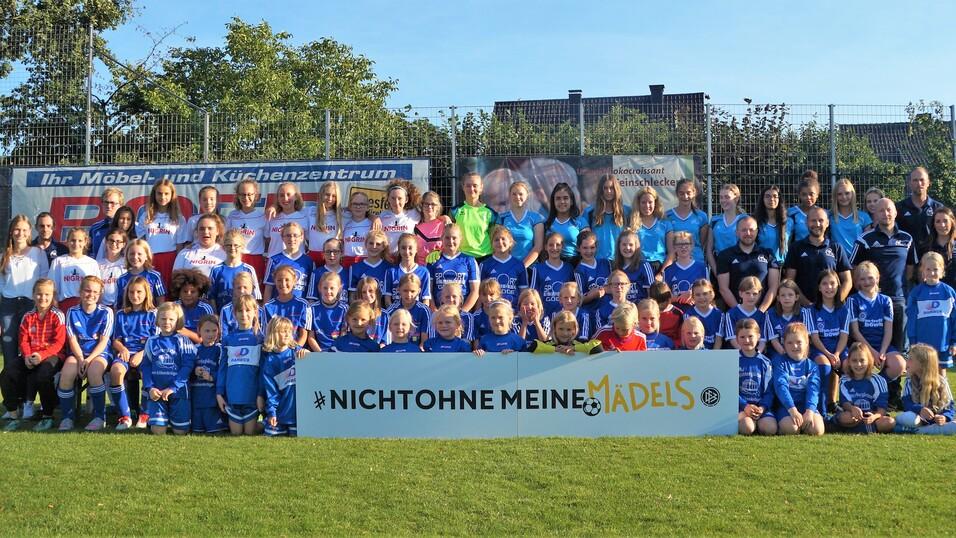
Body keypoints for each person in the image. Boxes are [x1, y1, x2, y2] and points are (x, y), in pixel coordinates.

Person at [850, 197, 917, 358]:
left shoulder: (907, 239)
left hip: (898, 299)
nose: (885, 213)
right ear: (875, 214)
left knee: (899, 349)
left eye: (888, 210)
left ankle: (896, 375)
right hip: (873, 301)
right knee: (870, 349)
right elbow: (853, 269)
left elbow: (910, 269)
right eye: (881, 210)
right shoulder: (864, 239)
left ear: (895, 212)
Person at [0, 279, 63, 431]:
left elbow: (59, 343)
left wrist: (41, 356)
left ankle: (47, 416)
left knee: (43, 375)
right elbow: (23, 340)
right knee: (8, 373)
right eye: (39, 294)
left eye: (47, 294)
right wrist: (27, 356)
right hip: (30, 355)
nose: (43, 298)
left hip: (52, 355)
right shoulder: (28, 316)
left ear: (53, 295)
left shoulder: (58, 315)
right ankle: (13, 414)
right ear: (33, 295)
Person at [0, 216, 49, 408]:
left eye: (24, 230)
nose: (20, 233)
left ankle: (29, 401)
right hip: (9, 307)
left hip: (31, 305)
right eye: (17, 229)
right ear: (11, 231)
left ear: (30, 232)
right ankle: (12, 403)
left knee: (30, 354)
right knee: (10, 354)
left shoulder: (38, 253)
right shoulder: (4, 256)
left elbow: (44, 279)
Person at [55, 275, 113, 431]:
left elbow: (103, 342)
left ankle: (99, 417)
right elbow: (72, 339)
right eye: (87, 290)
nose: (91, 294)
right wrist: (81, 359)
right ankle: (67, 417)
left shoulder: (106, 312)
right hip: (78, 353)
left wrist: (88, 360)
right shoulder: (72, 311)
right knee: (66, 374)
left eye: (95, 292)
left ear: (100, 294)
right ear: (80, 292)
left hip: (99, 353)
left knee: (94, 372)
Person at [847, 261, 906, 405]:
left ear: (877, 278)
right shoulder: (853, 300)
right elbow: (855, 332)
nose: (867, 282)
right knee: (850, 364)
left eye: (870, 278)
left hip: (882, 345)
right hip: (862, 346)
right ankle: (859, 393)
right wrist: (872, 352)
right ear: (857, 281)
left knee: (899, 365)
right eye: (862, 279)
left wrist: (883, 352)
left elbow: (888, 330)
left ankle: (873, 386)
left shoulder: (885, 300)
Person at [110, 276, 158, 430]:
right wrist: (122, 349)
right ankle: (125, 416)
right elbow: (115, 340)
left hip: (146, 353)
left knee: (147, 374)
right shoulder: (121, 314)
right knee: (116, 371)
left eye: (139, 292)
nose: (135, 295)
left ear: (146, 293)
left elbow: (156, 341)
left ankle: (144, 414)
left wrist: (141, 354)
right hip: (126, 353)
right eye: (131, 292)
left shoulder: (153, 313)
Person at [142, 302, 196, 435]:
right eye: (163, 318)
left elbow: (187, 366)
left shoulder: (183, 340)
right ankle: (156, 420)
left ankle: (177, 421)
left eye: (171, 319)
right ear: (157, 320)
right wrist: (150, 388)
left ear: (178, 321)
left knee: (180, 432)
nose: (167, 322)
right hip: (157, 392)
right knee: (158, 432)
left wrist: (173, 387)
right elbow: (146, 366)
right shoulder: (151, 341)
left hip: (178, 392)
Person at [783, 207, 853, 306]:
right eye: (813, 220)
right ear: (806, 223)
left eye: (821, 220)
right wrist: (808, 305)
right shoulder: (795, 248)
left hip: (831, 309)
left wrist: (834, 303)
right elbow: (790, 281)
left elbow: (847, 281)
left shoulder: (836, 247)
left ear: (827, 223)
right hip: (803, 308)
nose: (817, 224)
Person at [216, 294, 264, 435]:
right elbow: (223, 368)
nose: (244, 314)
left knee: (249, 433)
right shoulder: (228, 339)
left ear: (255, 312)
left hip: (252, 395)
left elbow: (263, 370)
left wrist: (260, 394)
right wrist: (219, 393)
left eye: (248, 310)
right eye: (240, 311)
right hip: (233, 395)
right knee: (236, 433)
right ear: (234, 313)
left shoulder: (260, 338)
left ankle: (266, 424)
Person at [716, 216, 779, 311]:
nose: (748, 233)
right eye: (744, 230)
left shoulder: (768, 254)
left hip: (763, 313)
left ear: (757, 232)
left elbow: (774, 287)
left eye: (751, 230)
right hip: (735, 314)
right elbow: (723, 289)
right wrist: (740, 312)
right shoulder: (725, 255)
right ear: (737, 232)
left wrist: (760, 311)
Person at [906, 252, 956, 372]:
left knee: (941, 373)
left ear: (942, 270)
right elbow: (911, 320)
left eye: (935, 269)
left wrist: (954, 342)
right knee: (922, 373)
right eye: (928, 269)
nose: (932, 273)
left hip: (943, 344)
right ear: (922, 270)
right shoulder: (916, 293)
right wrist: (912, 341)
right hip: (922, 344)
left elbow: (954, 319)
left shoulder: (949, 292)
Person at [809, 269, 851, 411]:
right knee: (824, 367)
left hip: (838, 348)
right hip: (819, 349)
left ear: (838, 286)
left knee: (849, 366)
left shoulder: (844, 309)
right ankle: (822, 410)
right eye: (825, 284)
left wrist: (837, 354)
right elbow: (814, 338)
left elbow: (844, 336)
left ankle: (847, 407)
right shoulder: (811, 310)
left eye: (832, 283)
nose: (829, 287)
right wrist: (828, 354)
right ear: (819, 287)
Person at [773, 322, 824, 436]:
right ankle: (781, 426)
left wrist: (809, 411)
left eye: (798, 342)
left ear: (806, 342)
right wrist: (792, 410)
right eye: (790, 343)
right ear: (784, 344)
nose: (794, 346)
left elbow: (813, 390)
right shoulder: (780, 363)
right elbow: (781, 387)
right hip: (787, 407)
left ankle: (807, 421)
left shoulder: (812, 366)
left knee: (817, 430)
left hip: (806, 406)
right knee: (792, 429)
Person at [260, 316, 307, 437]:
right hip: (282, 411)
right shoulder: (270, 361)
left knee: (298, 435)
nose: (287, 334)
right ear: (273, 333)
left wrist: (308, 354)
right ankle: (267, 421)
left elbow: (313, 371)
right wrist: (272, 412)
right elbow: (271, 391)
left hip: (300, 413)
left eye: (289, 331)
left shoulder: (297, 351)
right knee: (271, 434)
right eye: (283, 331)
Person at [834, 343, 895, 434]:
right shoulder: (844, 380)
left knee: (889, 422)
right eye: (854, 360)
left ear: (869, 361)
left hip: (873, 417)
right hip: (853, 416)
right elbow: (845, 403)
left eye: (862, 360)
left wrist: (874, 417)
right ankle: (868, 429)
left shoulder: (879, 380)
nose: (858, 364)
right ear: (849, 362)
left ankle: (853, 429)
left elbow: (882, 408)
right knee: (845, 418)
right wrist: (852, 408)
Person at [896, 343, 956, 434]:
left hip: (936, 420)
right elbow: (907, 403)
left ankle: (918, 431)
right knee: (909, 418)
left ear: (922, 364)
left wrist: (944, 417)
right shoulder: (909, 381)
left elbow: (950, 406)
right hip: (917, 418)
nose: (907, 361)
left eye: (910, 359)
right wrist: (920, 409)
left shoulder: (941, 382)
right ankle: (930, 430)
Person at [137, 179, 186, 289]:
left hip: (170, 260)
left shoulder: (179, 218)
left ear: (172, 195)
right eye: (159, 193)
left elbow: (180, 247)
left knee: (169, 291)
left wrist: (178, 267)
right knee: (150, 290)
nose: (163, 197)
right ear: (154, 194)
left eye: (166, 193)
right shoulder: (145, 216)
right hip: (150, 259)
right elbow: (142, 244)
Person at [736, 318, 776, 435]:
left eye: (750, 336)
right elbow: (729, 389)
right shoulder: (733, 360)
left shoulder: (766, 362)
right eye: (742, 337)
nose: (746, 340)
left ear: (758, 337)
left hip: (760, 408)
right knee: (747, 428)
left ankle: (758, 421)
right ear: (737, 339)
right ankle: (748, 422)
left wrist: (762, 408)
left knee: (770, 429)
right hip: (741, 407)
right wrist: (744, 406)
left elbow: (769, 391)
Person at [428, 224, 480, 312]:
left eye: (454, 238)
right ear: (442, 238)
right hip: (440, 312)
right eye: (447, 238)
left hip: (462, 311)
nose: (451, 241)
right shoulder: (434, 260)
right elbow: (428, 290)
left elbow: (475, 291)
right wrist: (435, 311)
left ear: (460, 239)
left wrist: (463, 312)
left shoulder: (469, 260)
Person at [896, 166, 944, 259]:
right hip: (907, 259)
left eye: (922, 180)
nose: (919, 183)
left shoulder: (938, 208)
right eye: (915, 180)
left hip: (932, 259)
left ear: (928, 182)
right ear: (909, 183)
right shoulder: (899, 208)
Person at [47, 227, 100, 313]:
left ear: (85, 242)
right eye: (73, 240)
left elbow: (98, 288)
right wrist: (55, 305)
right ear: (67, 241)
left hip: (86, 305)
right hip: (64, 305)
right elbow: (51, 287)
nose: (76, 243)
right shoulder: (58, 262)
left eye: (80, 240)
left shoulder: (92, 263)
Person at [225, 178, 268, 279]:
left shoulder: (263, 216)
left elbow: (268, 240)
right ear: (238, 196)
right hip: (235, 258)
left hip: (255, 260)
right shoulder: (232, 215)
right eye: (243, 194)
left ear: (256, 196)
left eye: (249, 194)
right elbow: (226, 238)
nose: (246, 198)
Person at [208, 230, 262, 311]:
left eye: (236, 245)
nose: (232, 248)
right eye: (229, 245)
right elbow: (211, 297)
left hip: (244, 315)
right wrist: (215, 315)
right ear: (223, 247)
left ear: (242, 247)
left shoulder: (249, 269)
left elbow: (256, 297)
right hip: (222, 315)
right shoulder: (216, 269)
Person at [191, 314, 226, 434]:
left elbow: (224, 371)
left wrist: (212, 377)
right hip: (196, 398)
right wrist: (194, 371)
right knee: (197, 431)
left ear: (219, 331)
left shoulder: (220, 349)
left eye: (214, 330)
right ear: (199, 331)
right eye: (207, 331)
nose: (210, 334)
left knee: (214, 431)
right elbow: (186, 370)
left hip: (212, 401)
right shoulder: (194, 349)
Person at [450, 172, 497, 260]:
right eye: (468, 186)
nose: (471, 189)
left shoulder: (490, 213)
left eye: (475, 185)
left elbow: (495, 237)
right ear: (463, 187)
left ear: (481, 188)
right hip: (462, 258)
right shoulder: (455, 211)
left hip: (485, 257)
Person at [583, 174, 629, 262]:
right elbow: (583, 240)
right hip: (597, 262)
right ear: (601, 190)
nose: (608, 191)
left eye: (611, 188)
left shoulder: (627, 212)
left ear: (616, 189)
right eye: (605, 188)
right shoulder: (589, 212)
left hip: (620, 262)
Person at [263, 222, 314, 301]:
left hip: (300, 306)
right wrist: (266, 306)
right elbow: (269, 288)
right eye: (288, 235)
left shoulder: (309, 261)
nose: (292, 239)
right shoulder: (274, 260)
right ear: (282, 237)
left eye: (295, 235)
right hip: (278, 306)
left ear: (302, 237)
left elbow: (311, 289)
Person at [479, 226, 528, 309]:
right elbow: (480, 292)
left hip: (513, 311)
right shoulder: (485, 265)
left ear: (510, 242)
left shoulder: (519, 265)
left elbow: (523, 292)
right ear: (491, 243)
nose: (500, 242)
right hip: (491, 311)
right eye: (496, 240)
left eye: (503, 239)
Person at [263, 265, 312, 348]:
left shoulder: (303, 305)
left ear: (294, 281)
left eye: (287, 280)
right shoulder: (268, 307)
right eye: (279, 280)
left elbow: (303, 335)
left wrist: (294, 350)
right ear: (274, 281)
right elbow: (267, 334)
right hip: (276, 350)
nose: (283, 283)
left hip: (297, 350)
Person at [530, 232, 578, 317]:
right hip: (545, 316)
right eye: (551, 245)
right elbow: (533, 294)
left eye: (558, 245)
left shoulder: (569, 268)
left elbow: (574, 293)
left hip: (565, 316)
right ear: (545, 247)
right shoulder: (538, 268)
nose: (554, 248)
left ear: (562, 246)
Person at [497, 182, 544, 267]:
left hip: (529, 267)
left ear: (527, 196)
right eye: (514, 194)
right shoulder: (501, 218)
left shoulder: (535, 218)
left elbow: (538, 247)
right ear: (509, 196)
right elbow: (497, 245)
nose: (517, 197)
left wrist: (522, 267)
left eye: (520, 194)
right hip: (507, 267)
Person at [706, 183, 747, 276]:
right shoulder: (715, 220)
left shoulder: (745, 219)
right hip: (719, 265)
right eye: (721, 197)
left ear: (736, 198)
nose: (723, 200)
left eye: (727, 197)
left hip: (739, 265)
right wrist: (717, 272)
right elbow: (709, 250)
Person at [666, 179, 709, 265]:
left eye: (688, 193)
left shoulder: (701, 216)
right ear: (677, 194)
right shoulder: (667, 216)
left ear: (694, 193)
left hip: (696, 261)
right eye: (681, 193)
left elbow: (702, 243)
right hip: (674, 262)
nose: (685, 196)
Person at [631, 186, 672, 275]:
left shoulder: (665, 223)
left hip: (660, 266)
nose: (647, 206)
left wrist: (661, 273)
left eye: (650, 202)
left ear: (655, 203)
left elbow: (671, 253)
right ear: (638, 203)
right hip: (638, 267)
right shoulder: (632, 224)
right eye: (643, 202)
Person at [381, 273, 431, 345]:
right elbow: (388, 337)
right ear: (398, 289)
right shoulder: (391, 311)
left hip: (416, 349)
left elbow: (424, 342)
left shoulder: (424, 310)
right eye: (405, 290)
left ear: (419, 291)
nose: (409, 295)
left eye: (412, 291)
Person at [543, 182, 588, 261]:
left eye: (565, 198)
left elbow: (587, 247)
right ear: (553, 202)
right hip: (552, 264)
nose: (562, 201)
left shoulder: (581, 222)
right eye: (558, 198)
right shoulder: (547, 223)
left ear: (571, 201)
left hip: (576, 264)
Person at [662, 231, 708, 306]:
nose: (683, 247)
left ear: (692, 246)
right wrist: (681, 297)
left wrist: (692, 293)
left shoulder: (702, 268)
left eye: (686, 244)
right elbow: (665, 298)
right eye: (679, 244)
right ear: (674, 247)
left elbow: (708, 292)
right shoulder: (668, 271)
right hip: (676, 310)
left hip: (697, 310)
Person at [763, 279, 807, 359]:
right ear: (778, 298)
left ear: (796, 297)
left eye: (790, 295)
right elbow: (774, 341)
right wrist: (786, 355)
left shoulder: (804, 313)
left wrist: (798, 355)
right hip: (778, 352)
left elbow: (806, 339)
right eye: (783, 295)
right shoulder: (770, 314)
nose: (787, 298)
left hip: (799, 352)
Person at [385, 233, 432, 307]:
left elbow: (426, 300)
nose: (407, 252)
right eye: (403, 248)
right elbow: (387, 300)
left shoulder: (424, 272)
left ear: (416, 249)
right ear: (399, 249)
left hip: (416, 314)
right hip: (396, 313)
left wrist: (419, 313)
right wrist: (396, 312)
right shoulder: (391, 272)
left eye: (410, 248)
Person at [265, 182, 310, 258]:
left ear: (296, 197)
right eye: (281, 195)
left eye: (289, 194)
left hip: (297, 261)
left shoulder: (305, 217)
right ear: (278, 198)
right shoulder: (271, 216)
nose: (285, 198)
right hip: (275, 261)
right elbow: (267, 239)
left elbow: (310, 243)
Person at [720, 276, 766, 351]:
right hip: (735, 353)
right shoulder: (731, 314)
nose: (751, 297)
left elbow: (762, 340)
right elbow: (732, 339)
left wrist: (757, 353)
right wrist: (745, 353)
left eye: (754, 294)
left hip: (754, 352)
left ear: (759, 294)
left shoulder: (762, 316)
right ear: (740, 293)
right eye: (747, 293)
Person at [116, 239, 166, 306]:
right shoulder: (121, 279)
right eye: (132, 254)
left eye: (139, 254)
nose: (135, 257)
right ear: (127, 256)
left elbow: (161, 301)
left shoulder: (155, 276)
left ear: (146, 256)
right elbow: (119, 304)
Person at [169, 269, 213, 345]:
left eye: (193, 292)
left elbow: (209, 340)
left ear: (199, 293)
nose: (188, 294)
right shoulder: (173, 307)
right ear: (179, 292)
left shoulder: (205, 309)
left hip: (199, 348)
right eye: (185, 291)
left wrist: (186, 333)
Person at [529, 310, 603, 355]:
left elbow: (598, 347)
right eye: (561, 329)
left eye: (569, 330)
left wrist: (573, 348)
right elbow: (533, 346)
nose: (565, 333)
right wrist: (556, 349)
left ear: (574, 330)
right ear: (554, 328)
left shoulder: (578, 343)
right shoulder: (549, 344)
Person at [829, 178, 872, 255]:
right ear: (835, 196)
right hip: (837, 259)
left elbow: (868, 242)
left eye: (847, 193)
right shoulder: (829, 216)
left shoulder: (864, 217)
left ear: (853, 194)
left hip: (858, 259)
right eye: (839, 194)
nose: (844, 197)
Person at [307, 272, 348, 351]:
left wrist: (337, 351)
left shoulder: (344, 309)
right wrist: (321, 354)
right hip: (318, 352)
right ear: (320, 288)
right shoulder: (312, 308)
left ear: (339, 289)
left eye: (332, 288)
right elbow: (311, 337)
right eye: (325, 288)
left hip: (338, 351)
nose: (328, 291)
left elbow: (344, 334)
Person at [378, 180, 421, 256]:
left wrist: (443, 218)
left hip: (406, 257)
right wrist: (373, 217)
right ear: (388, 199)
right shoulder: (382, 216)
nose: (396, 202)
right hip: (388, 258)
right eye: (393, 198)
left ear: (406, 199)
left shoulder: (414, 214)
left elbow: (431, 217)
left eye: (400, 198)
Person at [347, 229, 391, 302]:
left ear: (383, 247)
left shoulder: (389, 268)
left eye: (378, 244)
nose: (374, 246)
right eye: (371, 243)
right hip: (362, 307)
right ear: (365, 244)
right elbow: (352, 297)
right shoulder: (355, 268)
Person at [341, 191, 382, 268]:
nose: (358, 207)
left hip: (366, 262)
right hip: (347, 263)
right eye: (355, 204)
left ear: (367, 207)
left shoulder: (373, 224)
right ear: (350, 206)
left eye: (362, 204)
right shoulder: (345, 223)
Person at [218, 272, 266, 338]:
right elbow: (224, 337)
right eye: (238, 288)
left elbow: (263, 335)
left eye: (245, 287)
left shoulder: (259, 311)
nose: (242, 291)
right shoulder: (226, 310)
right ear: (233, 289)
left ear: (252, 289)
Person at [306, 182, 343, 266]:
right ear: (321, 195)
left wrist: (372, 217)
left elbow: (363, 214)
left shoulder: (342, 215)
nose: (330, 198)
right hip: (314, 257)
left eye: (334, 196)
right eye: (327, 194)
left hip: (333, 257)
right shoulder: (309, 211)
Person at [613, 229, 654, 304]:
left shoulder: (644, 265)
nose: (627, 247)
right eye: (624, 244)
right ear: (619, 246)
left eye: (631, 245)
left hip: (640, 307)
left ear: (636, 246)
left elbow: (651, 294)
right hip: (621, 308)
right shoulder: (615, 267)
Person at [574, 230, 611, 312]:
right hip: (592, 312)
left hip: (610, 310)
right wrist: (591, 296)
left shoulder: (606, 263)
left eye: (592, 247)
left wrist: (604, 290)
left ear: (596, 247)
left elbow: (614, 285)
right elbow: (579, 300)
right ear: (578, 248)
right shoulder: (579, 271)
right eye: (585, 248)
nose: (589, 251)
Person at [754, 185, 790, 265]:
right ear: (762, 199)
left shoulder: (789, 222)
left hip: (783, 265)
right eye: (767, 196)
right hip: (762, 265)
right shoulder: (756, 222)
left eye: (775, 196)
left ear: (779, 199)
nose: (771, 199)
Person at [683, 279, 723, 350]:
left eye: (705, 294)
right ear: (693, 297)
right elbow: (687, 341)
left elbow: (718, 341)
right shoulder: (688, 315)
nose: (701, 297)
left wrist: (713, 356)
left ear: (711, 294)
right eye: (698, 295)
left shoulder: (719, 315)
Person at [307, 237, 348, 305]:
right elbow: (311, 299)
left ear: (341, 253)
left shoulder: (348, 273)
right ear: (323, 254)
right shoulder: (316, 273)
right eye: (328, 252)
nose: (332, 255)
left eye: (335, 251)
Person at [415, 191, 451, 266]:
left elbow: (451, 247)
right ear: (422, 206)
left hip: (440, 267)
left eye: (433, 204)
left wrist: (439, 251)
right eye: (426, 204)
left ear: (438, 207)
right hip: (420, 268)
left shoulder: (445, 225)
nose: (429, 207)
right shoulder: (415, 226)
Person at [88, 187, 125, 257]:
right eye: (106, 202)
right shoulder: (95, 228)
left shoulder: (131, 227)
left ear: (121, 205)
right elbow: (89, 253)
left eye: (112, 203)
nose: (108, 206)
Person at [925, 207, 956, 288]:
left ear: (952, 222)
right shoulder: (927, 247)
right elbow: (921, 274)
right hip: (934, 293)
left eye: (945, 221)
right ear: (934, 224)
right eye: (938, 221)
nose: (942, 225)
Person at [98, 229, 128, 308]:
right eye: (111, 240)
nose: (114, 244)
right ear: (106, 242)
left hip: (122, 307)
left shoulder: (127, 264)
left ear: (124, 244)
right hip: (103, 307)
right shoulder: (97, 264)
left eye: (118, 241)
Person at [787, 172, 820, 243]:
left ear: (817, 194)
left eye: (811, 194)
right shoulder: (790, 213)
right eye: (804, 194)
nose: (808, 198)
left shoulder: (824, 214)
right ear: (799, 195)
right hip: (798, 249)